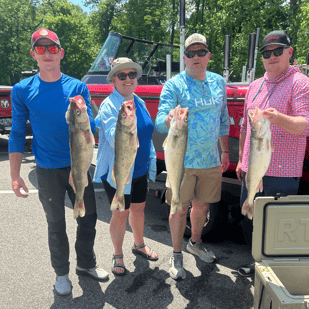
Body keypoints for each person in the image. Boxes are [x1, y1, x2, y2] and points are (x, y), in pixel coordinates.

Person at [9, 28, 109, 296]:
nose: (47, 53)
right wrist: (15, 174)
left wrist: (104, 119)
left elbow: (90, 129)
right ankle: (61, 274)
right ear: (33, 54)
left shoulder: (77, 87)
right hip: (47, 169)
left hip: (79, 164)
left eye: (52, 48)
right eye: (40, 49)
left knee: (88, 219)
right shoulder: (21, 90)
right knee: (56, 224)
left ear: (61, 53)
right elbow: (17, 133)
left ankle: (86, 265)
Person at [155, 33, 230, 280]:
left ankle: (195, 244)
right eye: (190, 53)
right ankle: (176, 257)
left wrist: (225, 151)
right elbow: (160, 121)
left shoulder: (218, 82)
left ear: (208, 55)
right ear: (184, 58)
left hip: (210, 160)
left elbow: (222, 120)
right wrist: (170, 118)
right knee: (178, 208)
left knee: (202, 206)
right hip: (182, 163)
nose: (195, 57)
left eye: (200, 52)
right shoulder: (174, 85)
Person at [236, 30, 309, 276]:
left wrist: (278, 119)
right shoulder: (255, 85)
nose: (272, 56)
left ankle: (273, 273)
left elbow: (303, 126)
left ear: (289, 52)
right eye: (267, 53)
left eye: (278, 51)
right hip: (251, 167)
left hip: (282, 172)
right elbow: (245, 127)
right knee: (251, 217)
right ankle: (255, 263)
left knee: (277, 226)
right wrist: (240, 159)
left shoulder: (300, 82)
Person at [93, 57, 158, 276]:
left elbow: (147, 134)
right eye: (122, 75)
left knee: (138, 209)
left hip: (139, 168)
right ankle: (118, 254)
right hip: (119, 172)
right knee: (120, 213)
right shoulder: (110, 106)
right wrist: (126, 122)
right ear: (113, 79)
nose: (128, 79)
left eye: (132, 75)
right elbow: (113, 138)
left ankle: (138, 245)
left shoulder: (138, 102)